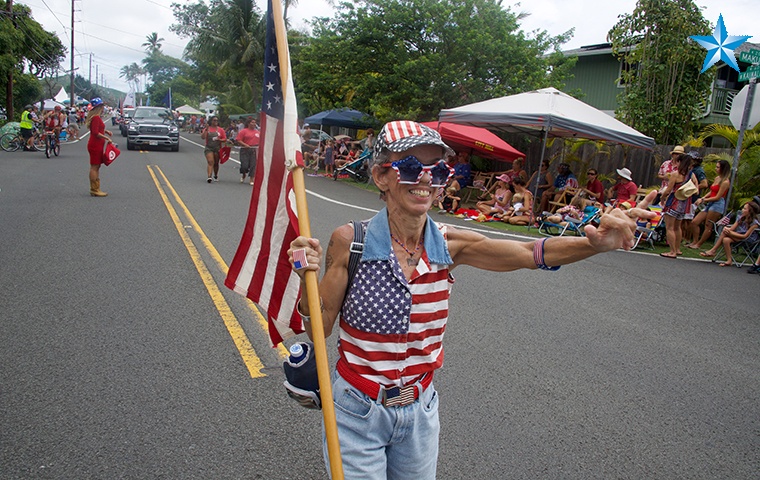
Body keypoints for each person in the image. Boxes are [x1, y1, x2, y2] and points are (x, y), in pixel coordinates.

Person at [287, 120, 653, 479]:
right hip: (358, 410)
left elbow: (530, 252)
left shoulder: (449, 244)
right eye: (412, 167)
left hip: (420, 412)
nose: (427, 179)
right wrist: (306, 275)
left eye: (438, 168)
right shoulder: (351, 241)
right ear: (382, 177)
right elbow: (318, 324)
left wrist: (593, 245)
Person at [686, 159, 731, 249]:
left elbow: (718, 197)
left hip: (717, 204)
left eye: (718, 167)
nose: (716, 169)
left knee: (708, 225)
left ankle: (699, 244)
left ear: (723, 169)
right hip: (710, 202)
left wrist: (703, 200)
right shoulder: (717, 178)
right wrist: (703, 198)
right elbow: (711, 191)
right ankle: (695, 241)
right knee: (695, 222)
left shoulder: (725, 182)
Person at [699, 201, 760, 266]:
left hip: (748, 240)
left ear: (750, 211)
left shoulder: (754, 223)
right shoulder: (741, 218)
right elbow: (732, 229)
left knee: (725, 233)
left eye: (745, 209)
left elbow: (745, 236)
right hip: (738, 237)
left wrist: (729, 232)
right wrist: (727, 229)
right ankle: (729, 260)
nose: (742, 210)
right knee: (726, 239)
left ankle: (713, 250)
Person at [659, 154, 697, 258]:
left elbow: (668, 189)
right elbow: (696, 189)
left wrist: (662, 198)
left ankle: (672, 251)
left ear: (680, 162)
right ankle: (677, 249)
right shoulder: (691, 175)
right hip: (684, 204)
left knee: (670, 227)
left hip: (674, 202)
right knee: (677, 227)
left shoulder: (675, 174)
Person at [86, 98, 113, 197]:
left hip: (98, 144)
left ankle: (96, 187)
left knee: (97, 166)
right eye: (102, 106)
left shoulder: (96, 118)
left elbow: (97, 129)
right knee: (94, 166)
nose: (103, 108)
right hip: (95, 144)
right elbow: (95, 132)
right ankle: (94, 188)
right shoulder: (96, 118)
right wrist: (106, 138)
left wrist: (106, 131)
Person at [201, 116, 227, 183]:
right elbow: (203, 137)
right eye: (214, 120)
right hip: (209, 147)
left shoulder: (220, 130)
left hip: (217, 148)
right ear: (211, 121)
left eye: (217, 120)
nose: (216, 122)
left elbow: (225, 139)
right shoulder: (207, 129)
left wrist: (220, 139)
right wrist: (206, 129)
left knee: (216, 163)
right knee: (210, 162)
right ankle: (209, 176)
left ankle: (215, 175)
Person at [236, 117, 260, 185]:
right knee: (244, 165)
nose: (254, 124)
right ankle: (243, 174)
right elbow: (238, 140)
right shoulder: (243, 131)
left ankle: (252, 179)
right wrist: (245, 145)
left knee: (253, 165)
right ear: (248, 123)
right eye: (252, 122)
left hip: (254, 150)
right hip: (245, 150)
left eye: (255, 122)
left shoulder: (257, 132)